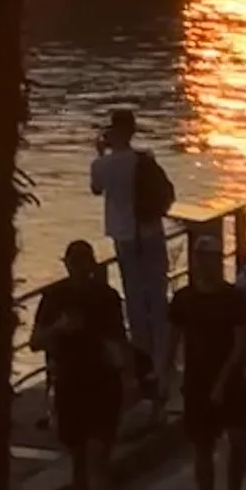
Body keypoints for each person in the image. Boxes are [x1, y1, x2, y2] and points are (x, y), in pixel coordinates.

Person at [31, 238, 132, 490]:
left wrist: (119, 364)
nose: (78, 270)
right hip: (70, 383)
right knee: (78, 460)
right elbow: (35, 341)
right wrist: (59, 328)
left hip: (102, 382)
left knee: (96, 456)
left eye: (83, 264)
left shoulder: (107, 298)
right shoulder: (54, 297)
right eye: (73, 264)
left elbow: (119, 340)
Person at [168, 231, 246, 490]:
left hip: (231, 380)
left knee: (237, 441)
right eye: (200, 258)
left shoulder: (236, 298)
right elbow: (173, 339)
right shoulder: (184, 299)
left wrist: (222, 381)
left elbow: (241, 343)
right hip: (196, 380)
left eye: (212, 258)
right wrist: (165, 373)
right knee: (202, 448)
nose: (205, 264)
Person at [90, 109, 176, 381]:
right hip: (151, 230)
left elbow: (96, 189)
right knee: (158, 293)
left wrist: (99, 152)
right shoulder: (145, 159)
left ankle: (144, 358)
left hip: (125, 236)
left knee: (135, 298)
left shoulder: (103, 165)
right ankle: (164, 358)